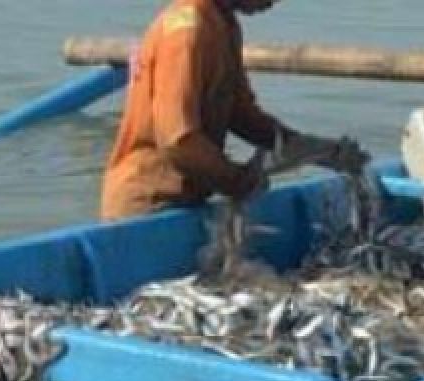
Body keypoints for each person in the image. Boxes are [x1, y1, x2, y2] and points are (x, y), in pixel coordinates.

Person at [100, 0, 368, 221]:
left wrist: (314, 150)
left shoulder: (224, 24)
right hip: (149, 204)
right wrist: (238, 181)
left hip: (189, 199)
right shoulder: (186, 32)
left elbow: (242, 115)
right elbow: (178, 141)